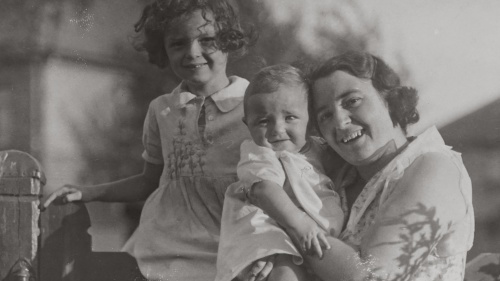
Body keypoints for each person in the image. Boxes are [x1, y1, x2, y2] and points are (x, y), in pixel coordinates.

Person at [41, 0, 265, 280]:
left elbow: (282, 179)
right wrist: (89, 192)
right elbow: (151, 181)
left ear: (229, 41)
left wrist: (274, 244)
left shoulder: (256, 106)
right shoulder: (163, 110)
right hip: (167, 247)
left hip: (236, 243)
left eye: (207, 40)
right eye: (178, 44)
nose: (192, 53)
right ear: (163, 50)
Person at [299, 50, 474, 280]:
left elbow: (372, 277)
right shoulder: (335, 179)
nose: (340, 121)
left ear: (390, 100)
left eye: (352, 101)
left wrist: (292, 222)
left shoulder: (433, 167)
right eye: (325, 115)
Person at [216, 64, 345, 281]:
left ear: (310, 118)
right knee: (285, 276)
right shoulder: (261, 153)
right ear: (247, 124)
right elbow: (265, 190)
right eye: (264, 121)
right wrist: (300, 224)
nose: (277, 129)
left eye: (290, 118)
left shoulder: (320, 149)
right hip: (272, 235)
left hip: (309, 236)